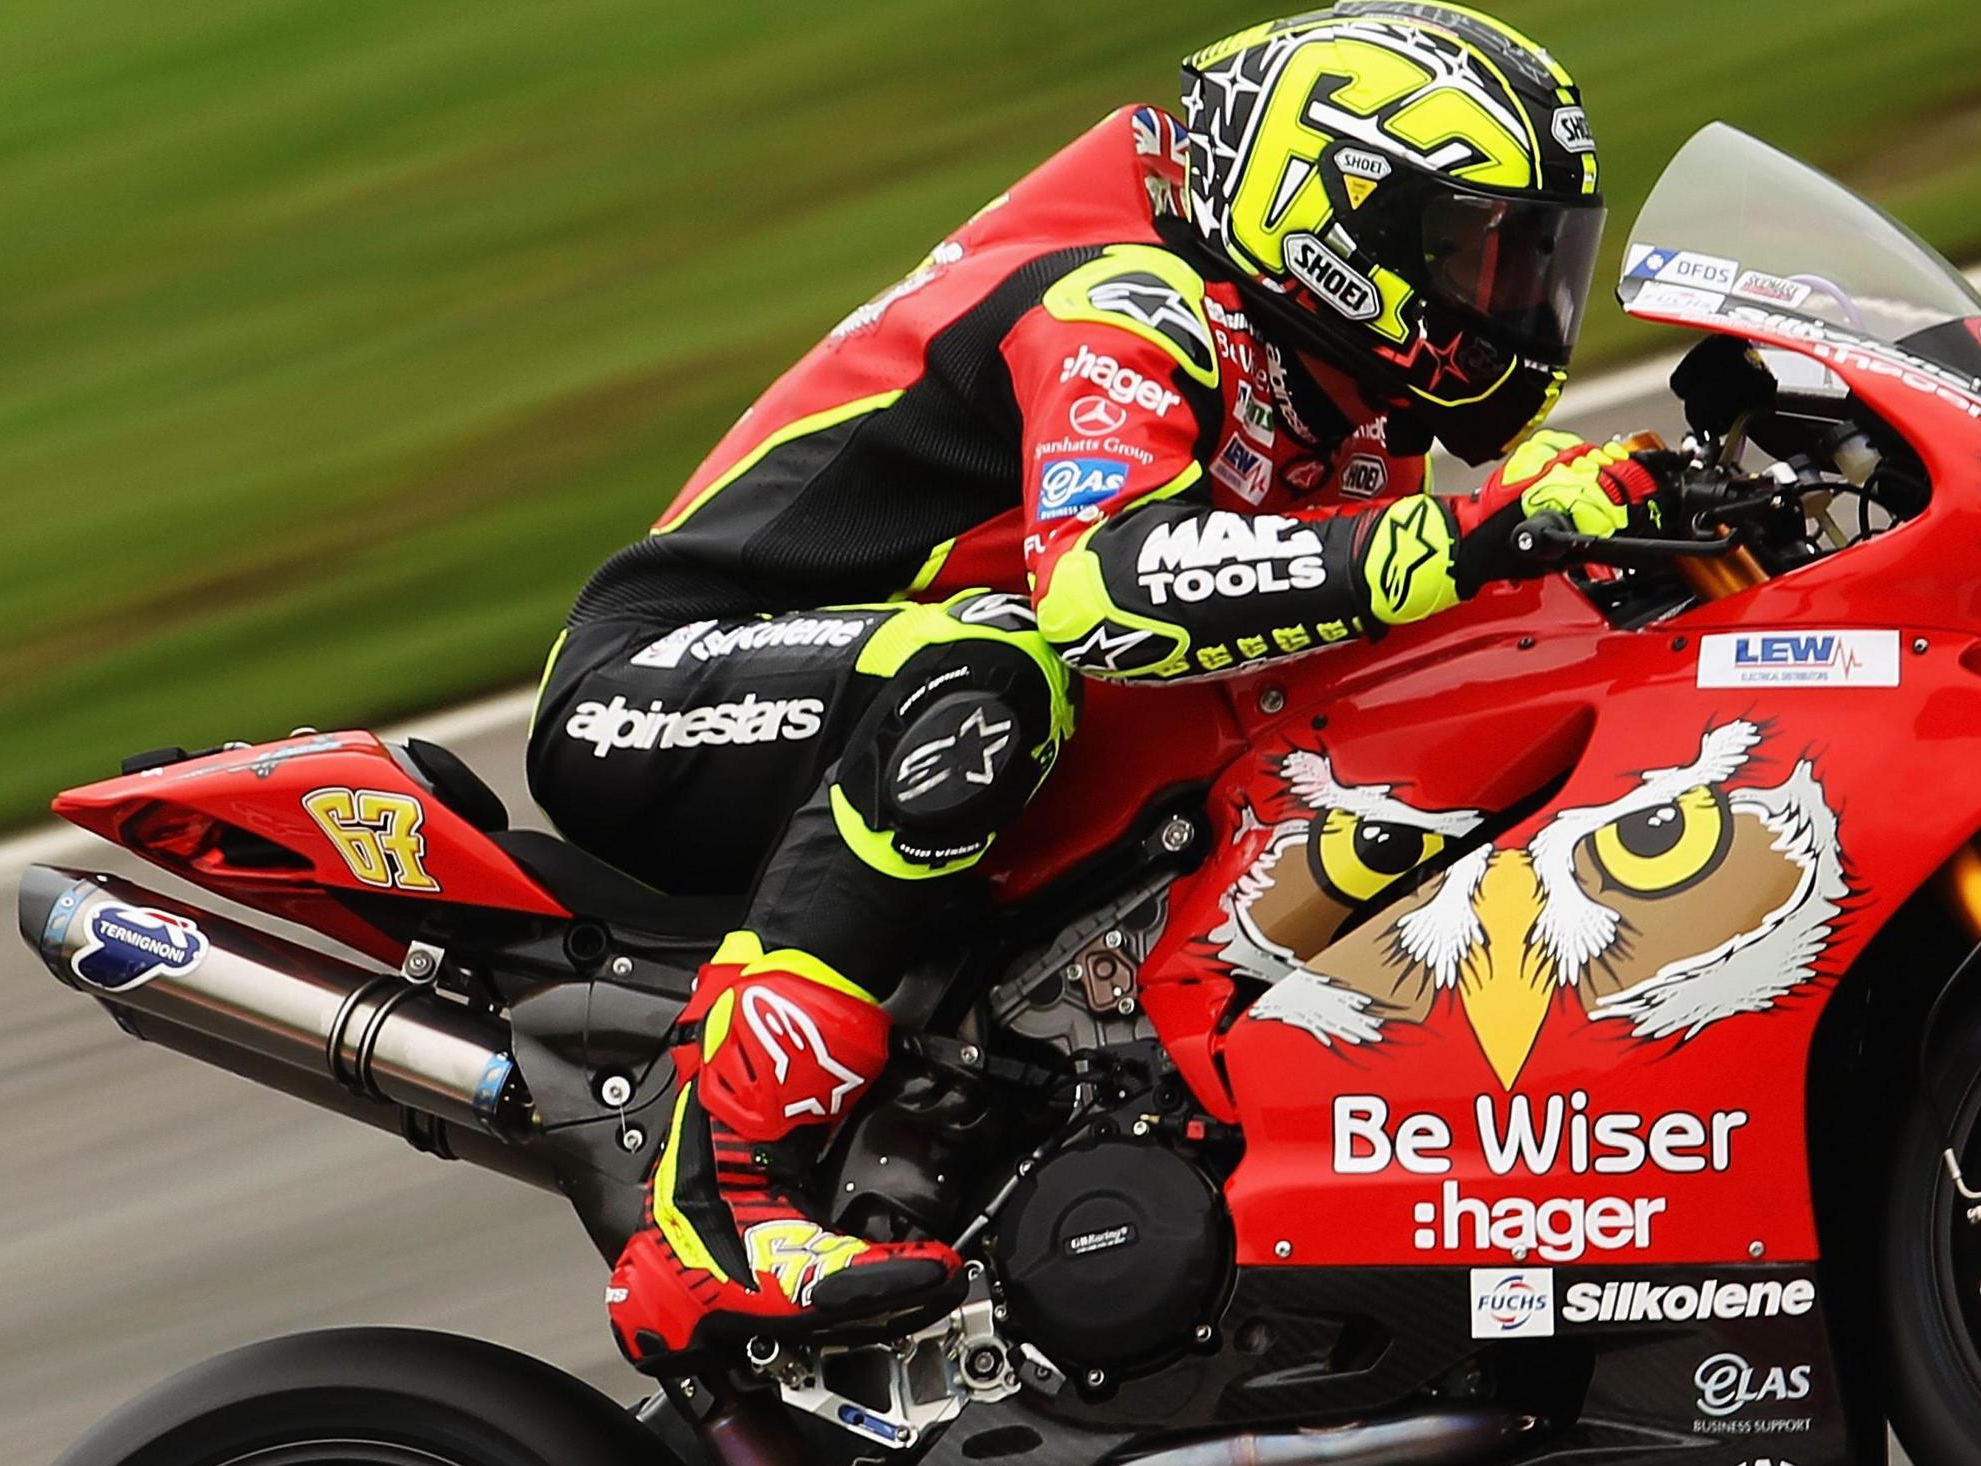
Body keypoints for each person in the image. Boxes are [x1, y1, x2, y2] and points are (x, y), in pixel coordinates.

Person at [531, 2, 1666, 1363]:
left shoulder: (1342, 415)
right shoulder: (1116, 299)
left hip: (885, 702)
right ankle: (714, 1201)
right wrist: (1480, 536)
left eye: (1539, 262)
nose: (1516, 305)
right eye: (1477, 255)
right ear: (1333, 223)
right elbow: (1110, 591)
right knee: (989, 667)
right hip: (660, 683)